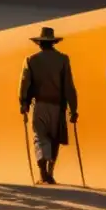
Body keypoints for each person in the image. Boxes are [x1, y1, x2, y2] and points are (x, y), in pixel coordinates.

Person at [19, 26, 78, 184]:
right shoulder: (63, 59)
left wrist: (23, 102)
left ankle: (42, 171)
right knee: (55, 139)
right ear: (53, 42)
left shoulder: (31, 60)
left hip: (39, 105)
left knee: (40, 137)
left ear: (39, 43)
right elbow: (68, 86)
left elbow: (25, 83)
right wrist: (73, 109)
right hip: (57, 107)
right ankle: (49, 171)